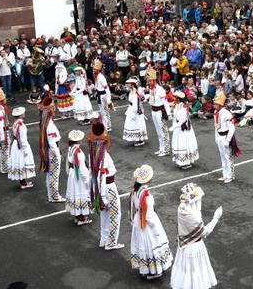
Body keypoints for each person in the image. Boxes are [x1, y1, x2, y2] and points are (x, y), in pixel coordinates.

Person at [171, 183, 222, 289]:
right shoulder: (194, 217)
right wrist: (216, 218)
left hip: (183, 245)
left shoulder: (181, 208)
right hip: (195, 247)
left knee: (185, 272)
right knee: (196, 272)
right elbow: (204, 232)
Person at [129, 165, 173, 280]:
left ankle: (145, 269)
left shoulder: (135, 191)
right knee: (152, 244)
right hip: (146, 224)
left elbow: (134, 207)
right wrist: (156, 229)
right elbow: (149, 217)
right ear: (148, 180)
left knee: (142, 245)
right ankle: (154, 271)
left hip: (138, 221)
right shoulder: (146, 196)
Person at [88, 119, 123, 250]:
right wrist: (103, 196)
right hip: (108, 188)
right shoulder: (103, 156)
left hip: (101, 188)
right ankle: (111, 242)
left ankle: (104, 239)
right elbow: (101, 177)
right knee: (115, 214)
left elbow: (93, 174)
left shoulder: (92, 151)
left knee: (104, 214)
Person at [37, 93, 65, 203]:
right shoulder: (50, 126)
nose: (55, 109)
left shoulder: (45, 121)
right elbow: (53, 144)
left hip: (48, 150)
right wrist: (58, 155)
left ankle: (51, 195)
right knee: (54, 175)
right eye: (53, 108)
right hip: (52, 152)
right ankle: (54, 196)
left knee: (50, 174)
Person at [65, 129, 92, 226]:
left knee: (75, 193)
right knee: (81, 193)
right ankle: (81, 217)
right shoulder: (79, 152)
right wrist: (87, 179)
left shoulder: (71, 149)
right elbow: (82, 169)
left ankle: (78, 216)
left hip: (73, 174)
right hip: (78, 176)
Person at [213, 90, 240, 184]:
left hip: (225, 136)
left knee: (228, 157)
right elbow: (216, 126)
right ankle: (225, 174)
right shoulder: (216, 112)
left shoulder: (226, 113)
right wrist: (216, 137)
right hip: (220, 136)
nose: (214, 105)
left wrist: (227, 140)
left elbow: (232, 128)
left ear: (220, 104)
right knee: (222, 157)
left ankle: (230, 175)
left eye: (216, 103)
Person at [170, 91, 199, 170]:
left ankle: (185, 162)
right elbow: (175, 117)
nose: (174, 99)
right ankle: (181, 161)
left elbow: (182, 120)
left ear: (179, 99)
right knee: (178, 143)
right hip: (178, 128)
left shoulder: (183, 107)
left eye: (175, 98)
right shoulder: (177, 105)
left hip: (183, 128)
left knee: (183, 143)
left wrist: (174, 127)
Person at [7, 107, 35, 190]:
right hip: (20, 146)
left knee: (19, 162)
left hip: (16, 144)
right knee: (22, 162)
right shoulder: (21, 125)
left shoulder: (15, 123)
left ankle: (23, 181)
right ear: (21, 115)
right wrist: (26, 150)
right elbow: (23, 140)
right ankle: (23, 183)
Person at [147, 71, 171, 157]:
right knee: (158, 131)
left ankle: (166, 149)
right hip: (154, 111)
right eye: (148, 81)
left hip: (160, 112)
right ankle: (161, 148)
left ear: (154, 80)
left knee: (163, 131)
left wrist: (168, 114)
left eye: (150, 81)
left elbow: (165, 102)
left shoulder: (160, 90)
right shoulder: (152, 89)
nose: (148, 82)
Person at [123, 77, 148, 146]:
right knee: (136, 125)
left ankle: (140, 140)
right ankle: (138, 139)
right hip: (132, 109)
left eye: (129, 83)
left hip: (135, 111)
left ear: (132, 84)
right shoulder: (132, 91)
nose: (127, 85)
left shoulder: (135, 93)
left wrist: (133, 114)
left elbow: (135, 105)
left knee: (137, 124)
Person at [93, 59, 115, 131]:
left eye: (95, 69)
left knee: (105, 111)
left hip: (103, 96)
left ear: (98, 70)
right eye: (93, 69)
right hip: (99, 96)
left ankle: (108, 126)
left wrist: (108, 100)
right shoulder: (96, 76)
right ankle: (105, 125)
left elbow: (107, 89)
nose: (93, 70)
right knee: (102, 111)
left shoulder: (101, 77)